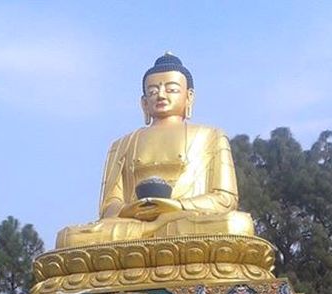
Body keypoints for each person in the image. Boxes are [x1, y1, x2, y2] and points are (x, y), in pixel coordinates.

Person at [55, 53, 256, 248]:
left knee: (236, 225)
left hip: (185, 221)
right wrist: (129, 209)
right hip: (132, 225)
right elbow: (109, 207)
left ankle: (151, 237)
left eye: (171, 89)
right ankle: (150, 236)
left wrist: (175, 206)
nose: (160, 94)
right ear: (144, 102)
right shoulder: (123, 144)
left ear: (189, 97)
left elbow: (225, 199)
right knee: (69, 238)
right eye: (152, 91)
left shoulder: (211, 135)